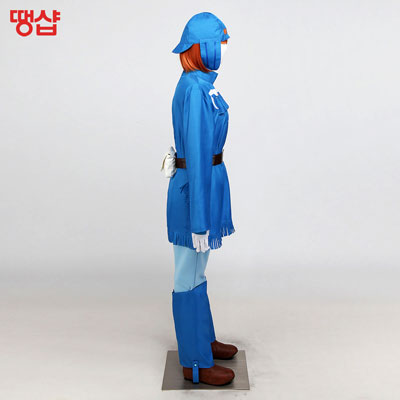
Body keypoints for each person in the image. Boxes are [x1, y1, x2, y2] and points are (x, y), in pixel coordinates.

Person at [165, 12, 237, 386]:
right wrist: (198, 220)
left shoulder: (201, 85)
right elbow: (195, 152)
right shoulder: (195, 89)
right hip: (196, 190)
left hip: (205, 185)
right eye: (219, 43)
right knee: (188, 276)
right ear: (204, 47)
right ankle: (195, 363)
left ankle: (204, 341)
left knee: (197, 271)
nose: (222, 50)